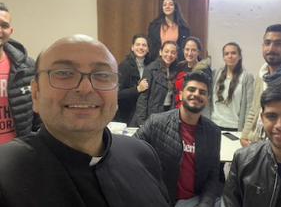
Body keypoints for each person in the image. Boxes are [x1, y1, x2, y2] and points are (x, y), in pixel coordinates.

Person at [0, 34, 170, 207]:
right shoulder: (5, 173)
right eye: (64, 73)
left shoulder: (142, 155)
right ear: (35, 93)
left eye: (102, 75)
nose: (85, 88)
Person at [134, 71, 224, 207]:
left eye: (202, 92)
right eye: (191, 89)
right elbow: (132, 155)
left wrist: (205, 204)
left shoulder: (213, 132)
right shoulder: (156, 123)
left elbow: (212, 177)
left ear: (208, 99)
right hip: (158, 199)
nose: (196, 94)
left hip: (193, 200)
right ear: (181, 94)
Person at [0, 2, 42, 144]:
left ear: (10, 31)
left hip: (17, 154)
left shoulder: (27, 67)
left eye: (4, 25)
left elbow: (38, 113)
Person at [132, 40, 178, 127]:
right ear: (160, 52)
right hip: (152, 114)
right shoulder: (151, 70)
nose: (169, 55)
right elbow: (143, 99)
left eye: (173, 52)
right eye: (166, 51)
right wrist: (141, 121)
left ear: (176, 55)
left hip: (168, 113)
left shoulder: (176, 71)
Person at [211, 42, 254, 132]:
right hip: (214, 125)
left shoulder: (246, 77)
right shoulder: (215, 74)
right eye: (226, 54)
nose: (230, 56)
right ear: (223, 57)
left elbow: (249, 106)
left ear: (240, 56)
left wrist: (246, 131)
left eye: (233, 53)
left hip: (234, 127)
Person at [114, 33, 149, 126]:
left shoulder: (149, 66)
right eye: (138, 45)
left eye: (144, 45)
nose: (141, 47)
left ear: (148, 49)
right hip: (125, 114)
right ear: (132, 47)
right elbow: (117, 93)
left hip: (141, 113)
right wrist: (137, 89)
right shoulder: (125, 66)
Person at [147, 0, 190, 65]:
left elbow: (185, 48)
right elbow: (150, 46)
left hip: (177, 63)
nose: (167, 7)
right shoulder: (153, 26)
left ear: (175, 7)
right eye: (164, 5)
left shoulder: (183, 28)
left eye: (170, 4)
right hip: (157, 63)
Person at [173, 36, 212, 109]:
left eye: (193, 50)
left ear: (198, 52)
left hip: (193, 111)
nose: (189, 53)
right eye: (187, 49)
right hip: (176, 109)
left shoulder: (204, 71)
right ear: (183, 50)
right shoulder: (179, 67)